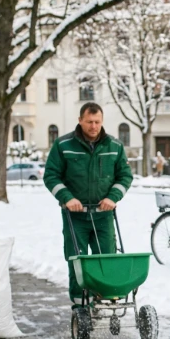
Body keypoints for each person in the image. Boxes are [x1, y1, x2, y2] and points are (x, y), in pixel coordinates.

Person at [44, 102, 133, 307]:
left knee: (106, 258)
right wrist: (67, 198)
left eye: (97, 122)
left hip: (103, 214)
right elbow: (51, 176)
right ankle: (80, 304)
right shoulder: (63, 146)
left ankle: (104, 297)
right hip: (75, 216)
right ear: (80, 121)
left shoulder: (114, 146)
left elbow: (125, 175)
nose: (94, 126)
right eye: (89, 122)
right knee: (78, 260)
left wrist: (113, 197)